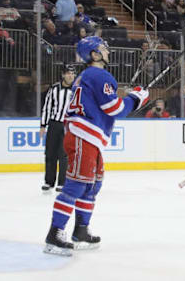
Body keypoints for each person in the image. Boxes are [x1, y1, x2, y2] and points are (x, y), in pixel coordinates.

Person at [44, 36, 149, 256]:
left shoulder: (88, 76)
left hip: (88, 136)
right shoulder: (98, 74)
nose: (108, 51)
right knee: (76, 184)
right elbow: (115, 108)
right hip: (84, 134)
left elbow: (106, 104)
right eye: (104, 49)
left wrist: (130, 97)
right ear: (94, 54)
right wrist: (136, 98)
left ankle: (81, 230)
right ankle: (55, 234)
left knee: (93, 184)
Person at [40, 65, 76, 193]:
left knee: (64, 155)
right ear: (63, 75)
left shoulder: (77, 90)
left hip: (68, 126)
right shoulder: (55, 88)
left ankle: (62, 182)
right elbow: (47, 107)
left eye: (72, 73)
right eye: (68, 73)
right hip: (54, 124)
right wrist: (43, 125)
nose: (70, 76)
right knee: (50, 154)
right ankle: (49, 181)